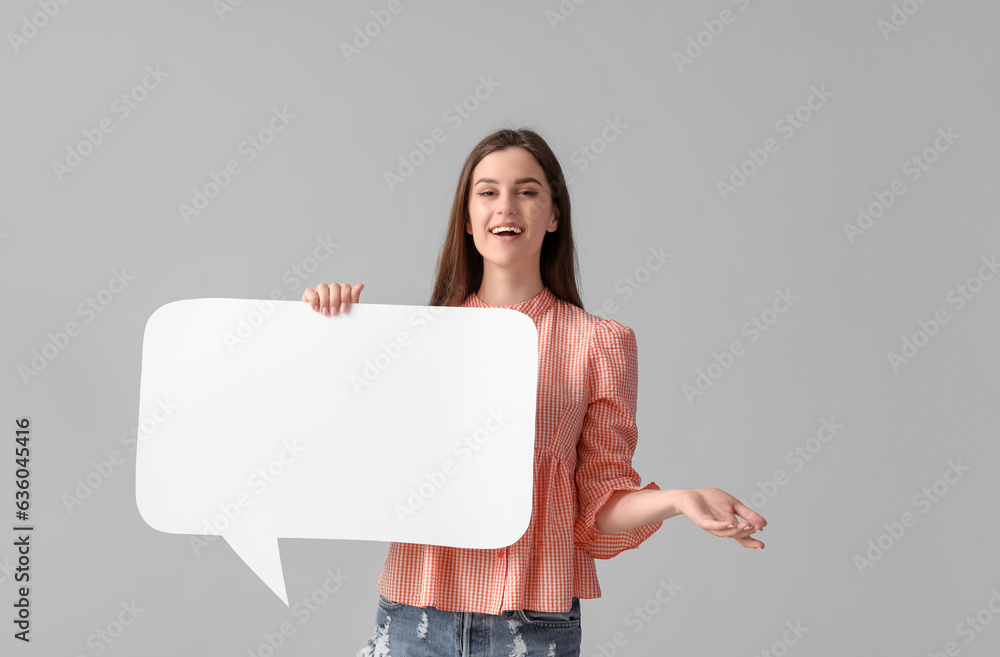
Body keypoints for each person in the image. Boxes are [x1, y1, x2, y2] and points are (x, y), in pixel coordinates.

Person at [301, 127, 767, 656]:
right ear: (468, 217)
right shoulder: (414, 341)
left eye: (526, 191)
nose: (507, 207)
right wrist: (329, 332)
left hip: (532, 625)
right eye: (488, 192)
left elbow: (596, 506)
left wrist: (680, 500)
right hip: (415, 616)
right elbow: (343, 455)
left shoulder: (601, 344)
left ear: (553, 215)